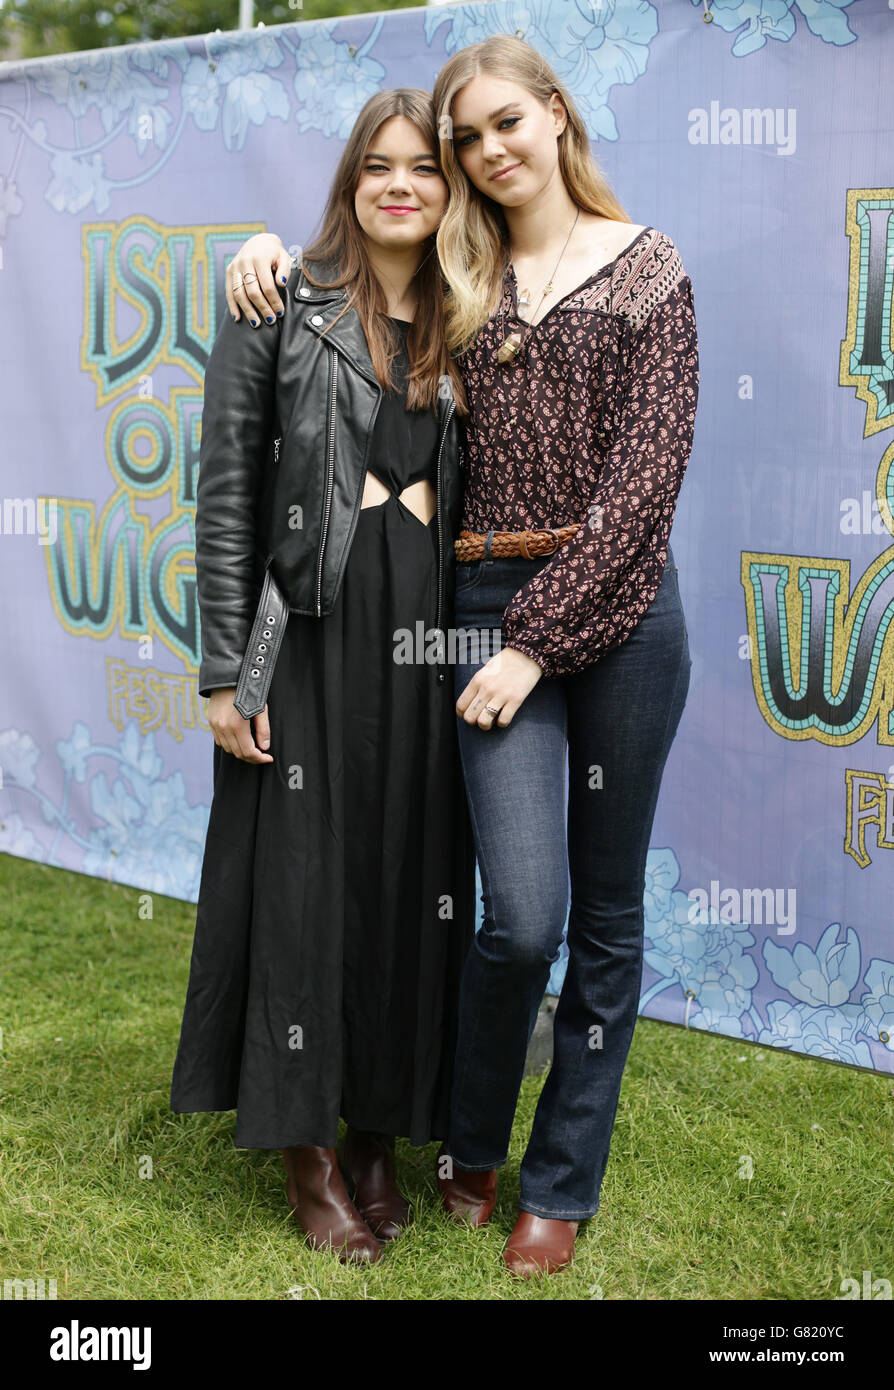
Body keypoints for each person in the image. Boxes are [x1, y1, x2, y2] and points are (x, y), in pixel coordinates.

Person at [227, 33, 699, 1279]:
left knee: (605, 919)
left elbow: (645, 490)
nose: (487, 152)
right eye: (465, 139)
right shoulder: (464, 270)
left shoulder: (650, 272)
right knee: (518, 917)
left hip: (620, 616)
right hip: (480, 599)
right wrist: (265, 250)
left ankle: (557, 1182)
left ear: (555, 115)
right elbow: (348, 298)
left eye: (505, 126)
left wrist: (537, 644)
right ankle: (467, 1145)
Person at [170, 88, 476, 1267]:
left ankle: (377, 1135)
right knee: (301, 882)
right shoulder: (277, 301)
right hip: (307, 629)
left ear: (449, 189)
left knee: (409, 874)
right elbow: (228, 494)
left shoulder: (470, 311)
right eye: (377, 167)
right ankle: (304, 1153)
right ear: (350, 182)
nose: (401, 184)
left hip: (430, 636)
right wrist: (219, 671)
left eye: (423, 168)